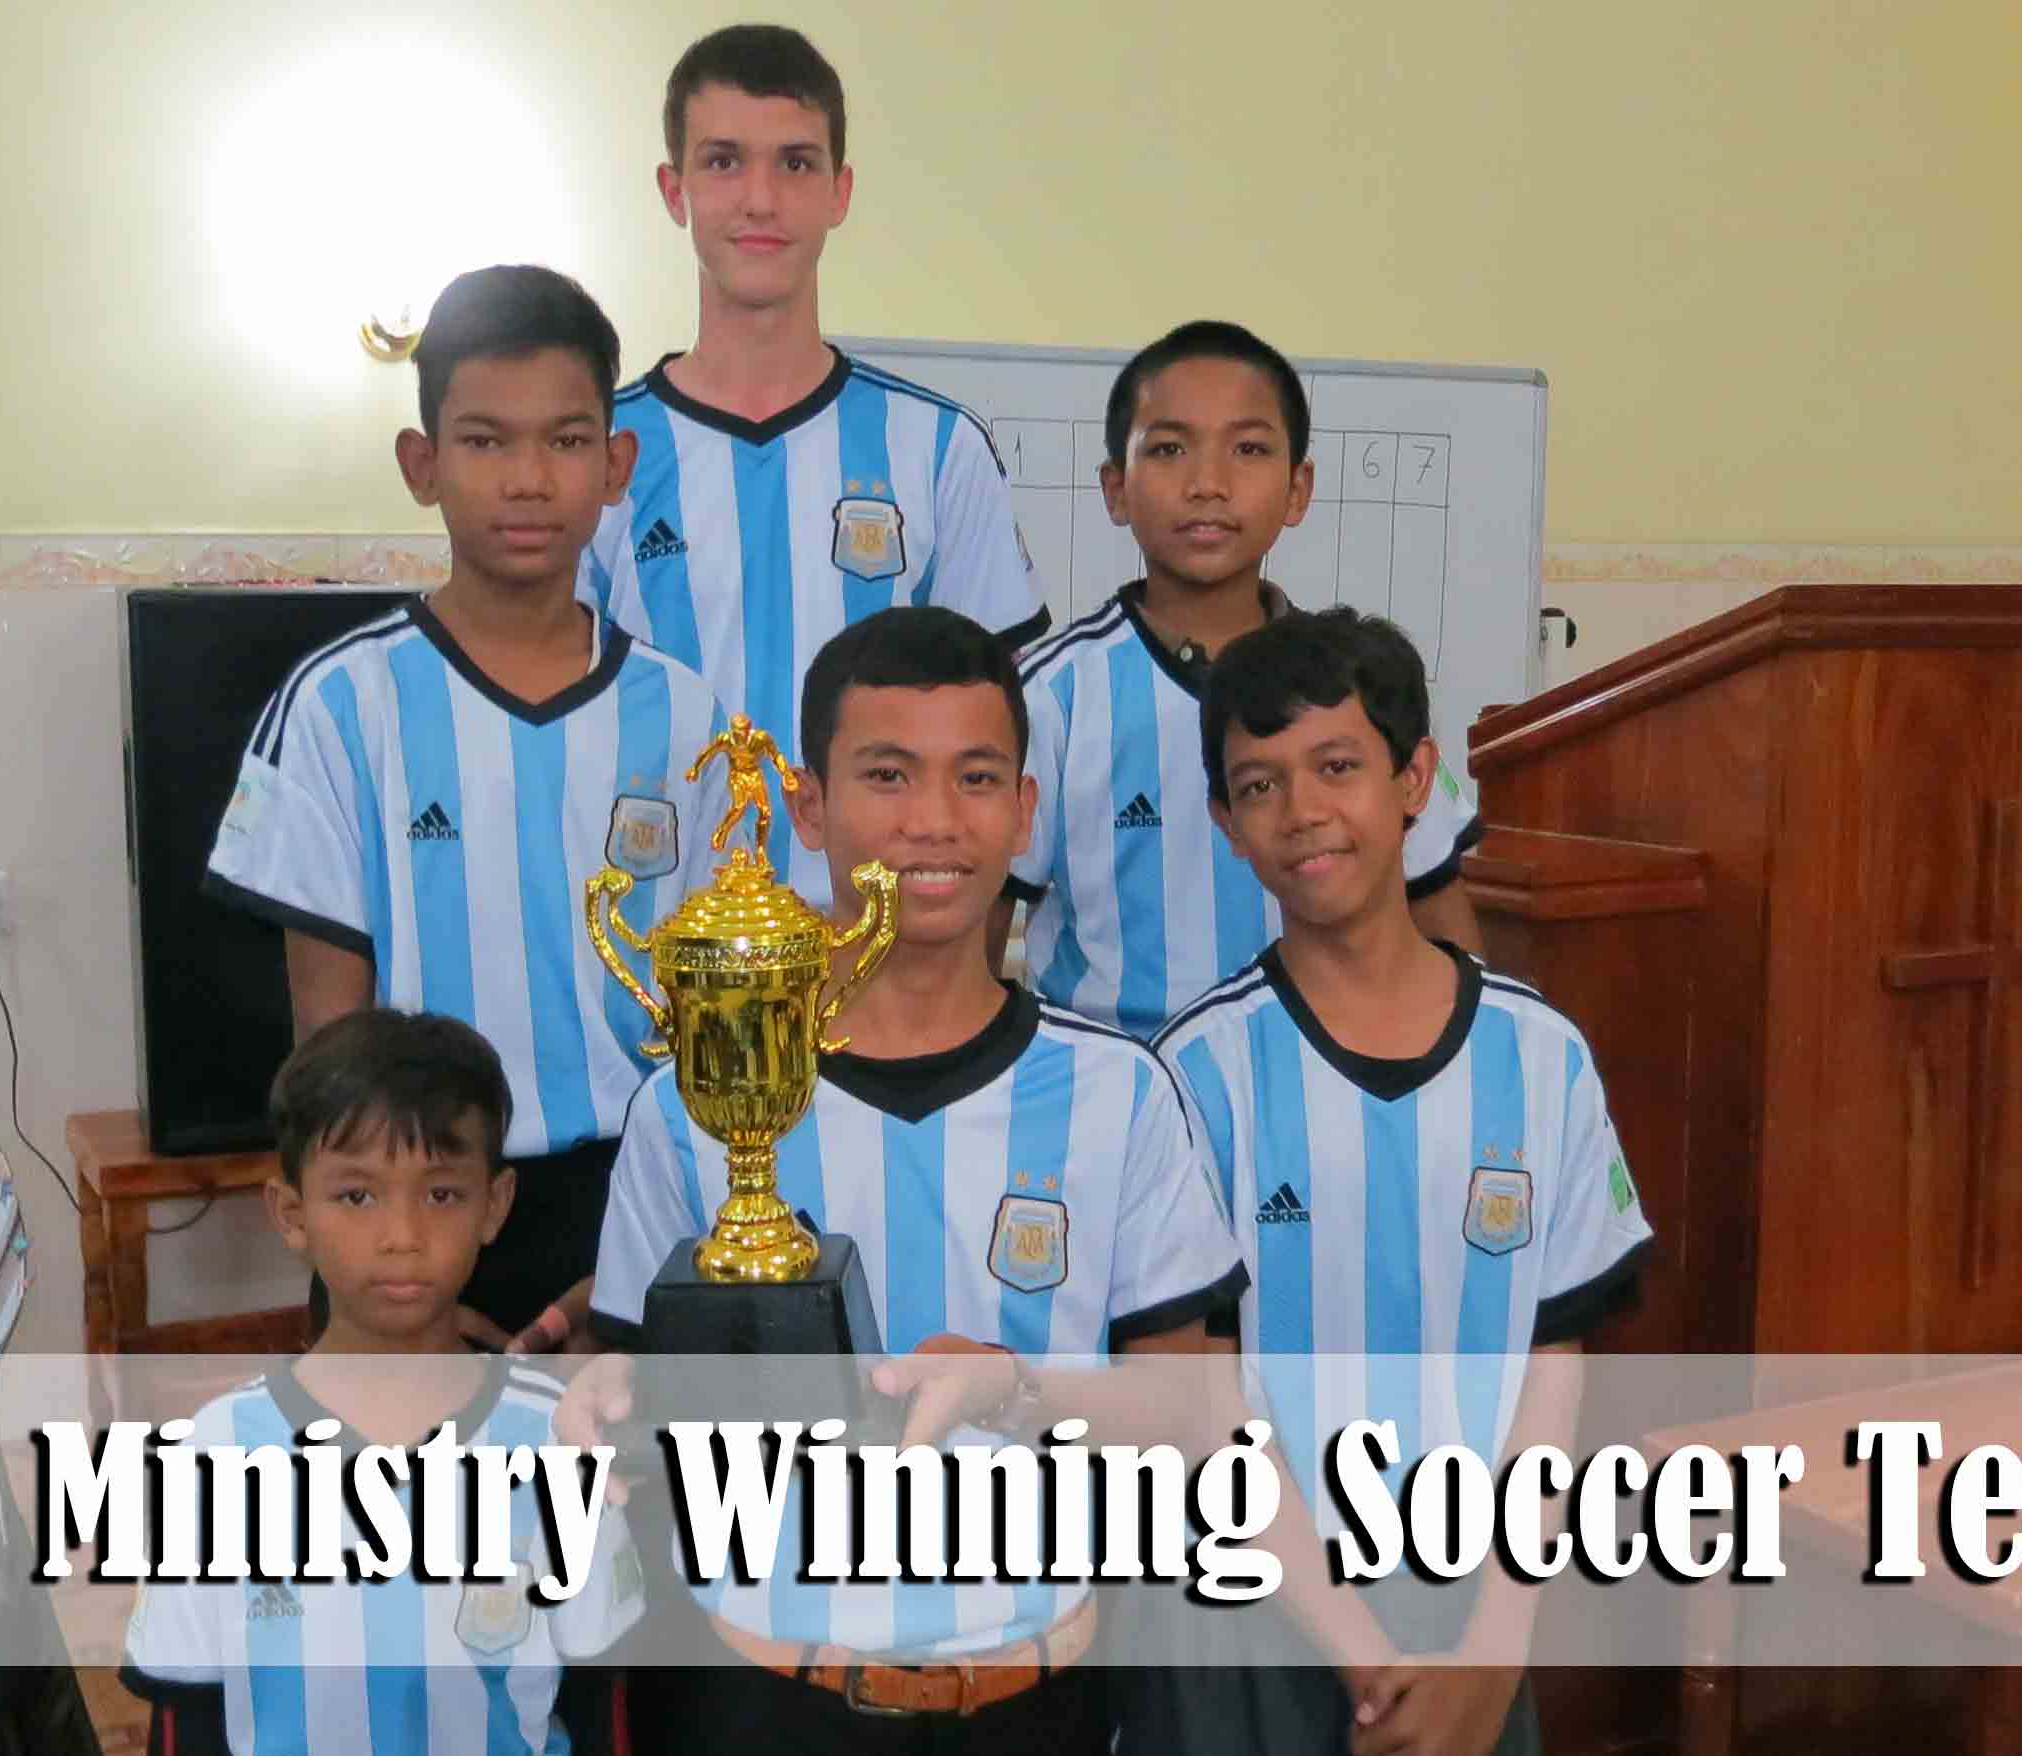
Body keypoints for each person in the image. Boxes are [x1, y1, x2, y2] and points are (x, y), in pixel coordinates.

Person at [570, 607, 1257, 1754]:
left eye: (976, 777)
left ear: (1024, 812)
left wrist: (1013, 1389)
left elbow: (1190, 1414)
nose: (934, 820)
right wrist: (598, 1412)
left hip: (1035, 1698)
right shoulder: (692, 1097)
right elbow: (639, 1400)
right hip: (760, 1696)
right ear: (809, 806)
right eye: (888, 775)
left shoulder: (1122, 1093)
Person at [1143, 609, 1653, 1756]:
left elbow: (1552, 1363)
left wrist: (1496, 1644)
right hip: (1254, 1613)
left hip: (1471, 1610)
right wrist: (1370, 1657)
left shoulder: (1542, 1057)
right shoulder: (1192, 1076)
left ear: (1415, 779)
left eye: (1338, 766)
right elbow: (1198, 1408)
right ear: (1225, 822)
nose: (1303, 810)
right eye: (1260, 785)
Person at [207, 264, 736, 1350]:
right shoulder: (341, 706)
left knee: (637, 1469)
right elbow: (330, 1056)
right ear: (423, 464)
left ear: (615, 464)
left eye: (566, 440)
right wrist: (407, 1267)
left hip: (636, 1211)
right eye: (486, 441)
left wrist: (622, 1277)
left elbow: (717, 1037)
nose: (529, 480)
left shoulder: (687, 716)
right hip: (413, 1208)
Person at [582, 24, 1047, 910]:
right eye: (724, 161)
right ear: (675, 191)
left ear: (840, 191)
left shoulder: (939, 447)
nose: (760, 199)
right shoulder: (596, 453)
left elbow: (998, 737)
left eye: (795, 163)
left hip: (881, 954)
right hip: (653, 953)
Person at [123, 1011, 643, 1756]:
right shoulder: (216, 1454)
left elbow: (604, 1716)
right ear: (291, 1214)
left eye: (441, 1195)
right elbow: (184, 1725)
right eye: (357, 1196)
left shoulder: (562, 1440)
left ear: (494, 1205)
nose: (402, 1236)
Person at [999, 321, 1485, 1039]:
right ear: (1116, 489)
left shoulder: (1359, 685)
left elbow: (1445, 928)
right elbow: (974, 943)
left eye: (1249, 449)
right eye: (1168, 449)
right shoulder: (1048, 698)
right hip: (1116, 1083)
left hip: (1322, 1079)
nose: (1208, 484)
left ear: (1298, 489)